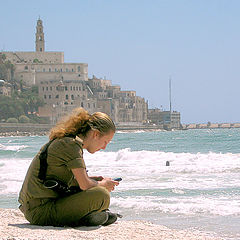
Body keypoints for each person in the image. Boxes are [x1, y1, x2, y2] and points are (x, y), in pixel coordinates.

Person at [18, 108, 120, 227]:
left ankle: (90, 216)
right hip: (40, 211)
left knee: (97, 191)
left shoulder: (70, 142)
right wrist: (103, 184)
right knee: (102, 194)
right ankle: (84, 219)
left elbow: (69, 181)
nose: (104, 147)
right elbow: (85, 185)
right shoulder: (71, 145)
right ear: (95, 134)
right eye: (105, 142)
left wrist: (93, 180)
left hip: (39, 206)